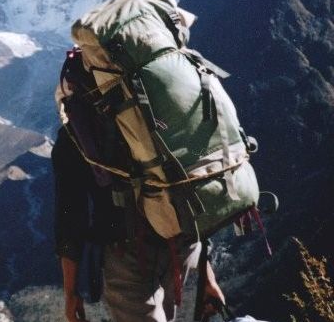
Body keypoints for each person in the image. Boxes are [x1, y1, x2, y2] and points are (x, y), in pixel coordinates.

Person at [53, 123, 226, 322]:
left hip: (128, 257)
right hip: (184, 244)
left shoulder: (77, 127)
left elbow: (70, 221)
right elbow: (192, 181)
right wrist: (207, 275)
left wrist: (71, 293)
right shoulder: (159, 103)